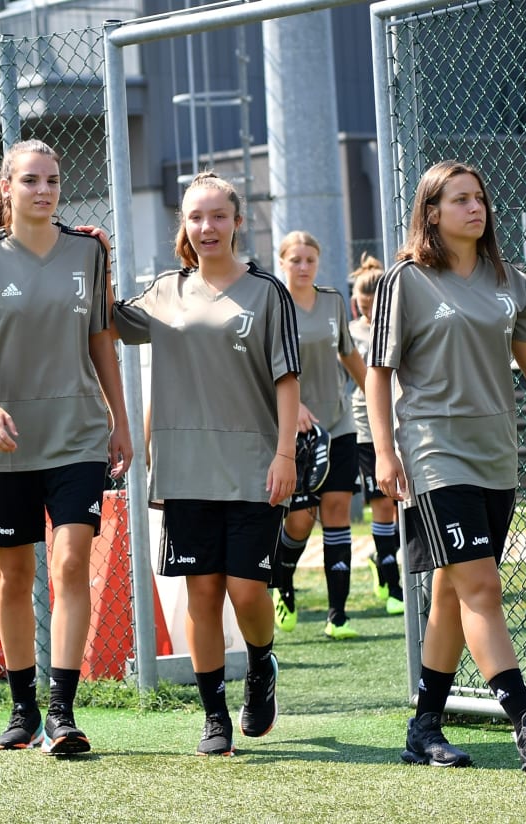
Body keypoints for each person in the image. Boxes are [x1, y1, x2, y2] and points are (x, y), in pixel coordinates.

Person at [366, 160, 526, 771]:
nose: (475, 208)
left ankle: (424, 727)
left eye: (480, 198)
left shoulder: (508, 279)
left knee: (451, 591)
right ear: (430, 212)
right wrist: (386, 452)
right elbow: (379, 376)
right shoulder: (405, 281)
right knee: (482, 586)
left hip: (496, 455)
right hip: (435, 453)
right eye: (460, 199)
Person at [0, 139, 133, 755]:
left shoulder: (88, 251)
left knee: (72, 562)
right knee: (13, 575)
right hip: (8, 443)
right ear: (6, 188)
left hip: (77, 435)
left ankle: (62, 711)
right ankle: (21, 709)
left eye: (51, 179)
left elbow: (102, 339)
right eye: (29, 181)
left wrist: (119, 420)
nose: (43, 190)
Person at [108, 171, 300, 757]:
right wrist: (96, 255)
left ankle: (262, 663)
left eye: (218, 215)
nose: (207, 227)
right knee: (202, 595)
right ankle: (214, 715)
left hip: (253, 466)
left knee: (246, 592)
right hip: (186, 470)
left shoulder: (267, 293)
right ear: (184, 226)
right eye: (196, 217)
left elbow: (288, 381)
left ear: (238, 222)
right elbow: (106, 318)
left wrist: (286, 453)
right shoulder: (165, 291)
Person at [271, 231, 367, 640]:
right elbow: (263, 366)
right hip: (296, 431)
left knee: (338, 511)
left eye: (310, 259)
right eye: (296, 260)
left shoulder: (332, 301)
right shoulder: (273, 304)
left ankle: (338, 614)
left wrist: (378, 396)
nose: (304, 266)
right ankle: (283, 583)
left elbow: (348, 352)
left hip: (340, 424)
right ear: (283, 263)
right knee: (298, 522)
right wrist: (294, 410)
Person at [348, 254, 404, 616]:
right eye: (363, 305)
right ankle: (392, 583)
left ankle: (385, 560)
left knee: (406, 507)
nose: (368, 312)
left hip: (405, 419)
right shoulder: (352, 332)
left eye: (374, 304)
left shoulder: (398, 324)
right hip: (368, 427)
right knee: (383, 504)